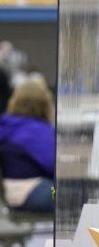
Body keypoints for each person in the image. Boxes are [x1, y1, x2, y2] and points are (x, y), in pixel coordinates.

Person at [0, 81, 55, 212]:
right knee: (68, 197)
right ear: (45, 104)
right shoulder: (41, 130)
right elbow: (54, 166)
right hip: (37, 192)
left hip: (5, 193)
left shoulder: (4, 124)